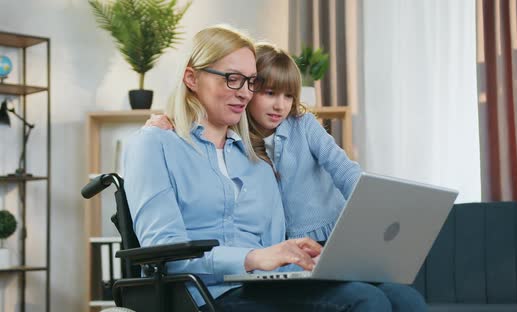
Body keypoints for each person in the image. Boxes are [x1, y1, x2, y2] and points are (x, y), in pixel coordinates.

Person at [126, 25, 427, 311]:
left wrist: (299, 256)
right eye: (232, 78)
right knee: (364, 301)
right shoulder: (155, 144)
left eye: (250, 82)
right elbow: (165, 251)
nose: (244, 92)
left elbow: (275, 243)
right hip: (203, 294)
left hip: (261, 286)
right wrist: (254, 257)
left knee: (404, 299)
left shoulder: (256, 160)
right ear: (191, 78)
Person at [148, 42, 361, 242]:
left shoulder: (303, 125)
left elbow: (343, 169)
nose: (280, 105)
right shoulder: (232, 136)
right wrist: (167, 120)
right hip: (281, 248)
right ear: (248, 89)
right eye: (270, 93)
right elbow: (196, 121)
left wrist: (371, 207)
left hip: (331, 232)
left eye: (288, 96)